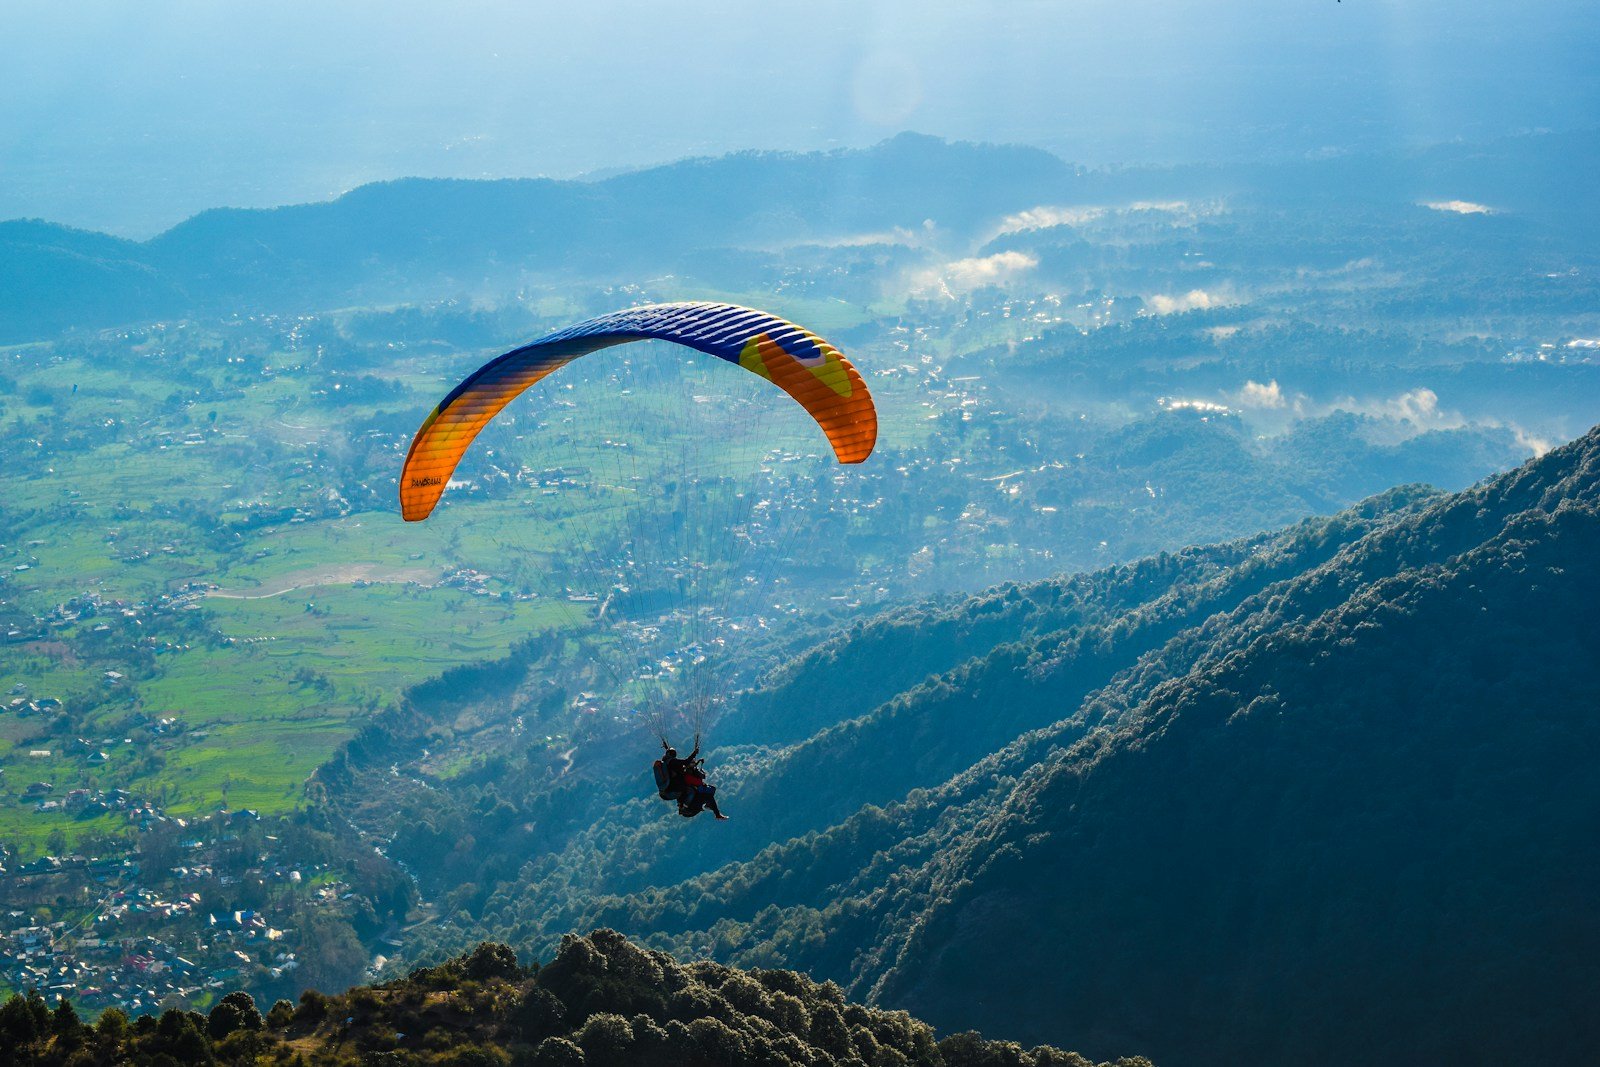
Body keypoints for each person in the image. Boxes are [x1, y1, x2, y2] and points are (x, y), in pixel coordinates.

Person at [660, 736, 729, 820]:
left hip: (681, 793)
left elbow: (678, 763)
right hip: (689, 807)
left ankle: (713, 810)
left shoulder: (669, 763)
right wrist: (694, 753)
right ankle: (716, 813)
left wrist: (667, 748)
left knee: (707, 791)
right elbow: (685, 762)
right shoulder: (677, 767)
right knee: (708, 795)